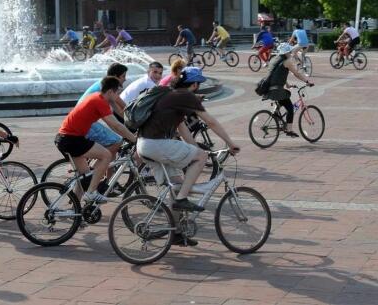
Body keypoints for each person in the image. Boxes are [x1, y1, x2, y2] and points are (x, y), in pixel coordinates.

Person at [137, 67, 241, 232]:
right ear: (194, 84)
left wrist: (194, 148)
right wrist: (229, 143)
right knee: (201, 157)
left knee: (177, 185)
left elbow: (181, 127)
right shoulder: (186, 96)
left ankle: (177, 231)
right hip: (156, 144)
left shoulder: (171, 94)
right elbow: (210, 121)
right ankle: (182, 199)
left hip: (144, 144)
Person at [55, 76, 137, 204]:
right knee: (106, 155)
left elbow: (117, 120)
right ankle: (92, 193)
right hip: (72, 139)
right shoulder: (99, 101)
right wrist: (134, 139)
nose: (118, 96)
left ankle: (75, 211)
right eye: (118, 93)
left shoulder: (96, 97)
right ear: (110, 92)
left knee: (85, 178)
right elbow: (115, 125)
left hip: (65, 138)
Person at [261, 44, 314, 137]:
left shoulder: (275, 59)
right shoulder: (287, 61)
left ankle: (276, 116)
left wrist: (288, 85)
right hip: (276, 90)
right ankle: (289, 130)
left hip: (269, 88)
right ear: (286, 53)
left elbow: (278, 74)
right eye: (289, 51)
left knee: (283, 100)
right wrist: (307, 81)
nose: (290, 53)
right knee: (290, 107)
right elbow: (296, 73)